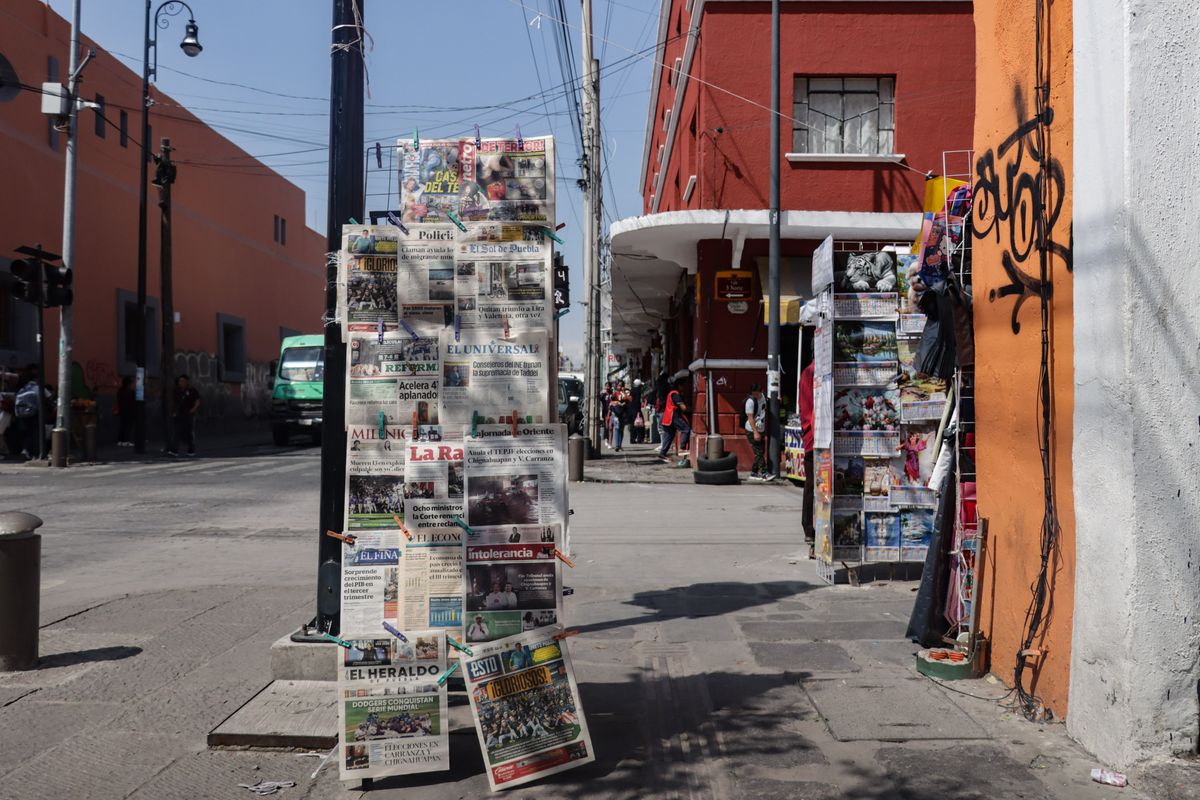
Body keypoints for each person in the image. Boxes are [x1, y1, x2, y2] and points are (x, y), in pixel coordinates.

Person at [657, 377, 691, 466]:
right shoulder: (675, 394)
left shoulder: (671, 393)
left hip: (667, 418)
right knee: (686, 429)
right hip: (673, 416)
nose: (684, 388)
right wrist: (692, 409)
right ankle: (683, 447)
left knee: (669, 435)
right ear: (679, 386)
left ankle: (662, 453)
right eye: (683, 386)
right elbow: (683, 408)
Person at [171, 375, 201, 456]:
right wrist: (174, 411)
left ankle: (191, 450)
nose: (181, 383)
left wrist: (194, 408)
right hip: (179, 414)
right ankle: (174, 450)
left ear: (187, 382)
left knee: (189, 432)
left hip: (189, 414)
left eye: (183, 381)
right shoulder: (176, 390)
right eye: (180, 381)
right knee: (176, 431)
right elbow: (174, 402)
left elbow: (197, 400)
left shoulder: (192, 390)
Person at [743, 383, 768, 480]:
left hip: (761, 428)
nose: (755, 396)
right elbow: (750, 418)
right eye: (753, 394)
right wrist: (755, 432)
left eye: (757, 394)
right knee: (759, 452)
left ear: (761, 392)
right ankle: (764, 473)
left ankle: (754, 472)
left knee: (760, 451)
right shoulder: (750, 401)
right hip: (751, 429)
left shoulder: (765, 397)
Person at [115, 376, 135, 447]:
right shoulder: (130, 392)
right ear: (128, 384)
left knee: (122, 426)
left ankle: (120, 441)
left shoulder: (120, 391)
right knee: (128, 426)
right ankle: (126, 441)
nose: (132, 385)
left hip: (122, 411)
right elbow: (132, 402)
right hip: (129, 411)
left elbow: (119, 401)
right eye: (131, 383)